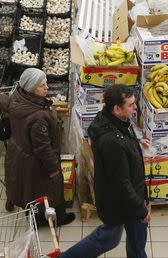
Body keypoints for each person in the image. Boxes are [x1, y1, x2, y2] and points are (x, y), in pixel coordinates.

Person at [60, 85, 150, 258]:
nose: (135, 107)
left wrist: (135, 143)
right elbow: (121, 183)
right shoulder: (112, 142)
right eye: (131, 105)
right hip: (120, 201)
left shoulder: (110, 119)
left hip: (129, 195)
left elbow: (122, 146)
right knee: (110, 238)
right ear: (116, 109)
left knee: (136, 239)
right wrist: (141, 209)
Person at [4, 68, 75, 226]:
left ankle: (33, 216)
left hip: (19, 152)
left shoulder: (17, 97)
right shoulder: (38, 118)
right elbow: (43, 148)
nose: (47, 88)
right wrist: (53, 168)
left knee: (28, 188)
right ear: (31, 88)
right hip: (36, 162)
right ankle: (52, 220)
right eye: (42, 85)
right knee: (48, 189)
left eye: (46, 83)